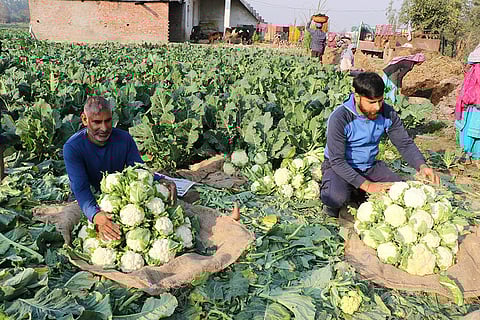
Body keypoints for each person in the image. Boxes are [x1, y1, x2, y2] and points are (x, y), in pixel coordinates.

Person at [321, 72, 440, 218]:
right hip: (339, 167)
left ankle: (357, 190)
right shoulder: (340, 118)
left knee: (399, 190)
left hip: (368, 166)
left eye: (380, 100)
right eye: (371, 102)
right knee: (335, 197)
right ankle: (345, 193)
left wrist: (422, 166)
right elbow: (337, 161)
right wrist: (369, 185)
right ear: (357, 97)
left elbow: (404, 143)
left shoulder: (387, 113)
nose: (377, 107)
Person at [63, 96, 176, 241]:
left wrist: (162, 180)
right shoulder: (72, 147)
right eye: (97, 122)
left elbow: (138, 168)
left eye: (108, 121)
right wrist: (95, 215)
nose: (104, 128)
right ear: (85, 120)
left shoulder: (124, 139)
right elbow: (81, 188)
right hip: (91, 194)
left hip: (117, 192)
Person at [455, 44, 480, 166]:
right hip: (475, 106)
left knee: (470, 131)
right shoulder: (476, 70)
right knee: (474, 132)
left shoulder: (474, 69)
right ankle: (472, 156)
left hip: (473, 106)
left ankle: (470, 156)